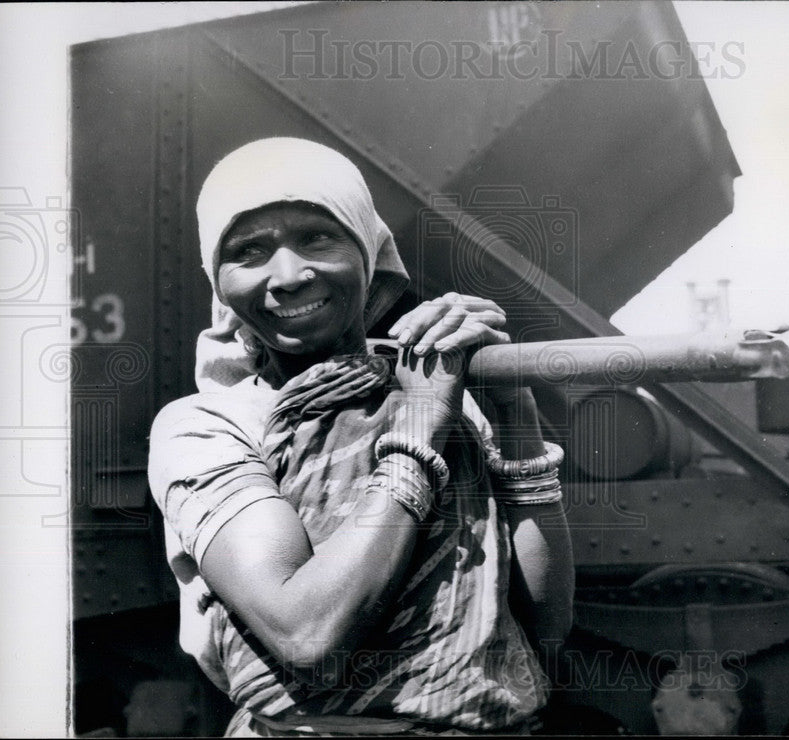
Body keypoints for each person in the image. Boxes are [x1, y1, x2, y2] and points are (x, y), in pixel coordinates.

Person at [147, 137, 574, 736]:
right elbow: (308, 635)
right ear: (218, 281)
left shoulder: (436, 390)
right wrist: (421, 431)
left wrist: (514, 413)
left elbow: (544, 633)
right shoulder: (206, 427)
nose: (289, 276)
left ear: (369, 252)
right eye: (249, 251)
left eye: (319, 237)